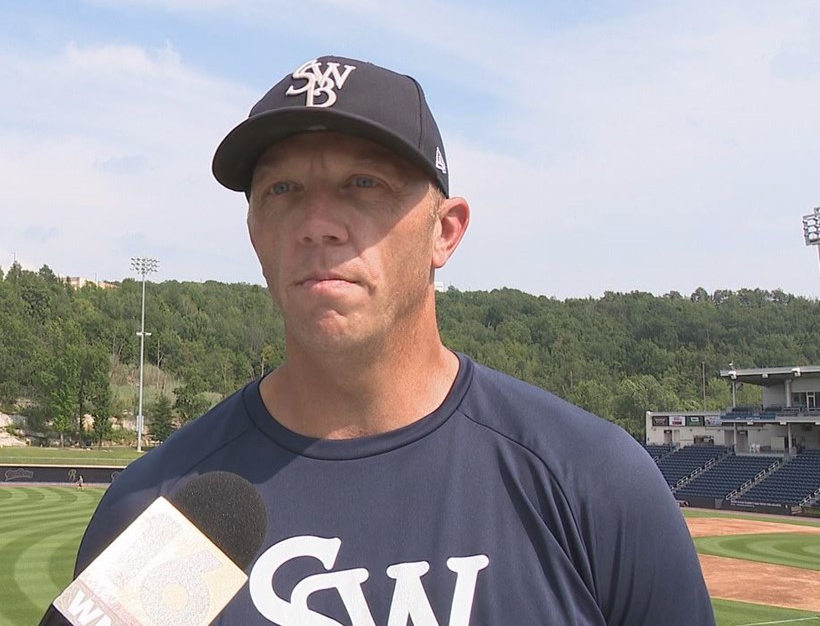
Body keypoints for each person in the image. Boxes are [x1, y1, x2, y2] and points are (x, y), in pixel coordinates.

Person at [73, 56, 715, 625]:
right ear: (255, 232)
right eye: (282, 189)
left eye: (365, 184)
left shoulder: (592, 480)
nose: (317, 224)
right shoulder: (158, 513)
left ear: (446, 231)